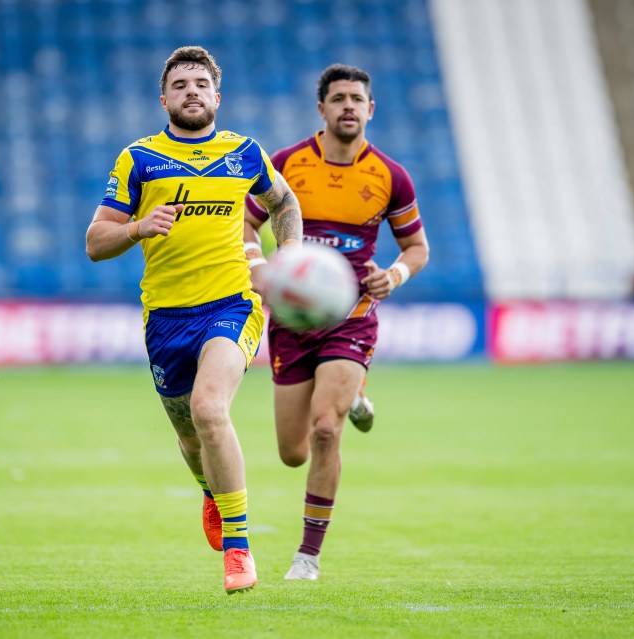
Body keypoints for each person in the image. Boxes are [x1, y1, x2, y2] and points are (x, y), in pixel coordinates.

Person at [85, 46, 302, 594]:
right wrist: (137, 228)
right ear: (164, 99)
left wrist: (289, 260)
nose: (192, 92)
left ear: (216, 96)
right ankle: (212, 490)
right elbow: (95, 242)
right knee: (189, 437)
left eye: (201, 84)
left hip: (233, 303)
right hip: (166, 317)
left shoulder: (244, 153)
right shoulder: (138, 159)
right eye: (180, 85)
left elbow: (285, 203)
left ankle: (238, 546)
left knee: (210, 409)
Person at [244, 64, 430, 580]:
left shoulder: (391, 176)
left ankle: (308, 557)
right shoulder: (285, 164)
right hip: (291, 317)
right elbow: (245, 222)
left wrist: (392, 275)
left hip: (352, 315)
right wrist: (259, 268)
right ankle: (357, 392)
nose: (349, 105)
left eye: (358, 99)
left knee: (327, 428)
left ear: (371, 110)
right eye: (339, 98)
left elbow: (416, 248)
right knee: (292, 453)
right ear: (321, 108)